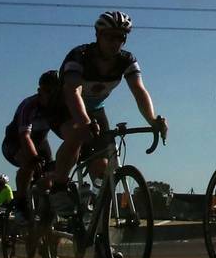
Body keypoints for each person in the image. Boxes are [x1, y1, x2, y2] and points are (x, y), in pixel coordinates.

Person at [50, 11, 169, 190]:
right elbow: (73, 90)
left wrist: (152, 119)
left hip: (96, 109)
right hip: (64, 107)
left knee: (102, 167)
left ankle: (96, 206)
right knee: (76, 135)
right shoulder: (80, 56)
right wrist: (84, 122)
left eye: (120, 38)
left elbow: (139, 90)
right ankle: (58, 187)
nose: (115, 43)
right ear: (98, 35)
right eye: (110, 37)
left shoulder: (126, 60)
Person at [2, 70, 67, 216]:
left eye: (56, 93)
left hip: (40, 142)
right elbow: (25, 136)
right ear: (40, 91)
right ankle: (20, 202)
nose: (51, 98)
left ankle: (44, 212)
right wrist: (34, 158)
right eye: (48, 92)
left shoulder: (57, 106)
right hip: (15, 142)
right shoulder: (29, 105)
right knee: (29, 162)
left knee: (51, 175)